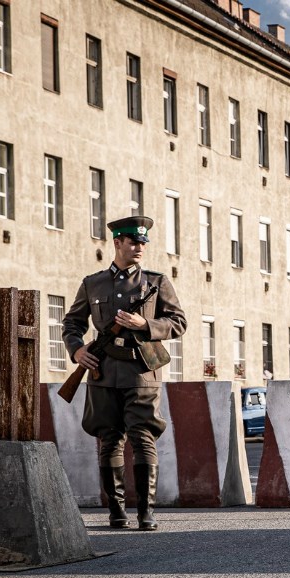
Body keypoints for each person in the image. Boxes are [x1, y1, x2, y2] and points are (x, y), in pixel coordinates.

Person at [62, 216, 187, 531]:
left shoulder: (156, 283)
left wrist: (144, 325)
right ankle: (117, 513)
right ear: (117, 243)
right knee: (109, 440)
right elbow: (72, 323)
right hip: (102, 372)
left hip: (141, 371)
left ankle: (146, 513)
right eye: (133, 242)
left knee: (143, 437)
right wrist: (76, 349)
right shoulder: (93, 283)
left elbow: (179, 322)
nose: (140, 247)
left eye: (143, 242)